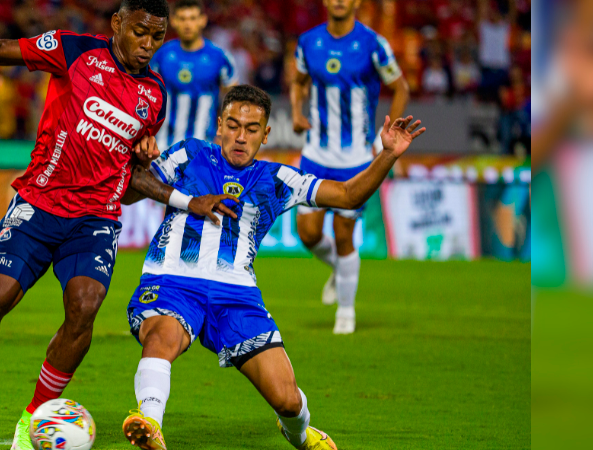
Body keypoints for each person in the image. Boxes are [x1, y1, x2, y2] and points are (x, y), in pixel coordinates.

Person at [0, 2, 228, 449]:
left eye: (157, 37)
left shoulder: (154, 96)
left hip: (95, 218)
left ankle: (35, 416)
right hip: (39, 201)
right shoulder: (73, 50)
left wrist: (165, 181)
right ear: (117, 24)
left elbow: (127, 176)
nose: (148, 45)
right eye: (140, 32)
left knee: (84, 308)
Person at [118, 85, 426, 450]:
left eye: (251, 129)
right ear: (219, 126)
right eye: (233, 125)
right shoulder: (188, 154)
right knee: (163, 336)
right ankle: (150, 420)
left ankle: (299, 433)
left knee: (288, 401)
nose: (240, 137)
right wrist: (141, 163)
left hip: (237, 294)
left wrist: (387, 155)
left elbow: (348, 196)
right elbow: (129, 191)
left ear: (265, 134)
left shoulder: (277, 180)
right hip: (173, 280)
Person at [290, 0, 410, 334]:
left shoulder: (373, 44)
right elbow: (298, 82)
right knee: (308, 233)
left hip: (356, 157)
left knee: (344, 234)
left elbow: (400, 87)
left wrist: (387, 138)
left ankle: (346, 312)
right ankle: (340, 270)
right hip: (316, 153)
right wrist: (297, 111)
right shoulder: (308, 42)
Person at [150, 0, 238, 151]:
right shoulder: (161, 55)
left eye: (192, 18)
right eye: (182, 18)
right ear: (174, 21)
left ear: (203, 20)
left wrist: (226, 133)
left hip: (202, 149)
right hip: (163, 147)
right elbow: (147, 95)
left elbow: (234, 100)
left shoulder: (220, 58)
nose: (187, 24)